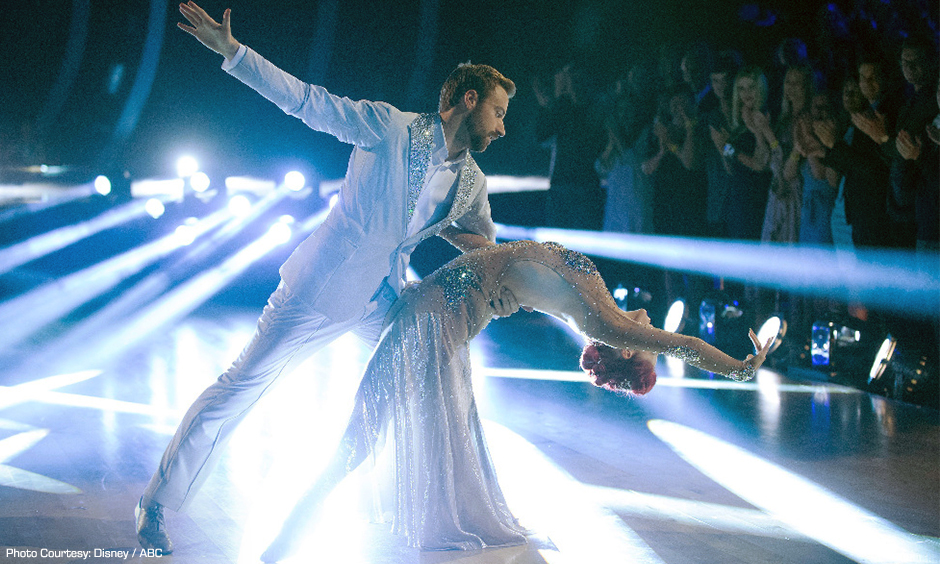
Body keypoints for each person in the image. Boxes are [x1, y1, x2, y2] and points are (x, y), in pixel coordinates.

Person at [136, 2, 518, 553]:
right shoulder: (389, 128)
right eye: (499, 112)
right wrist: (233, 53)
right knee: (237, 393)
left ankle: (411, 507)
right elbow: (306, 101)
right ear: (468, 99)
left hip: (383, 299)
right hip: (317, 289)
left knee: (425, 379)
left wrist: (514, 276)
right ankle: (156, 504)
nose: (503, 127)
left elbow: (479, 241)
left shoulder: (471, 182)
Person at [259, 240, 771, 562]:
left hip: (436, 316)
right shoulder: (604, 305)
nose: (647, 321)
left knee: (365, 426)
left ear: (625, 350)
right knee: (370, 422)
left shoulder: (603, 321)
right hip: (435, 304)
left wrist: (744, 368)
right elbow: (497, 258)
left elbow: (686, 346)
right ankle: (289, 531)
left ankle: (287, 535)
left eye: (646, 342)